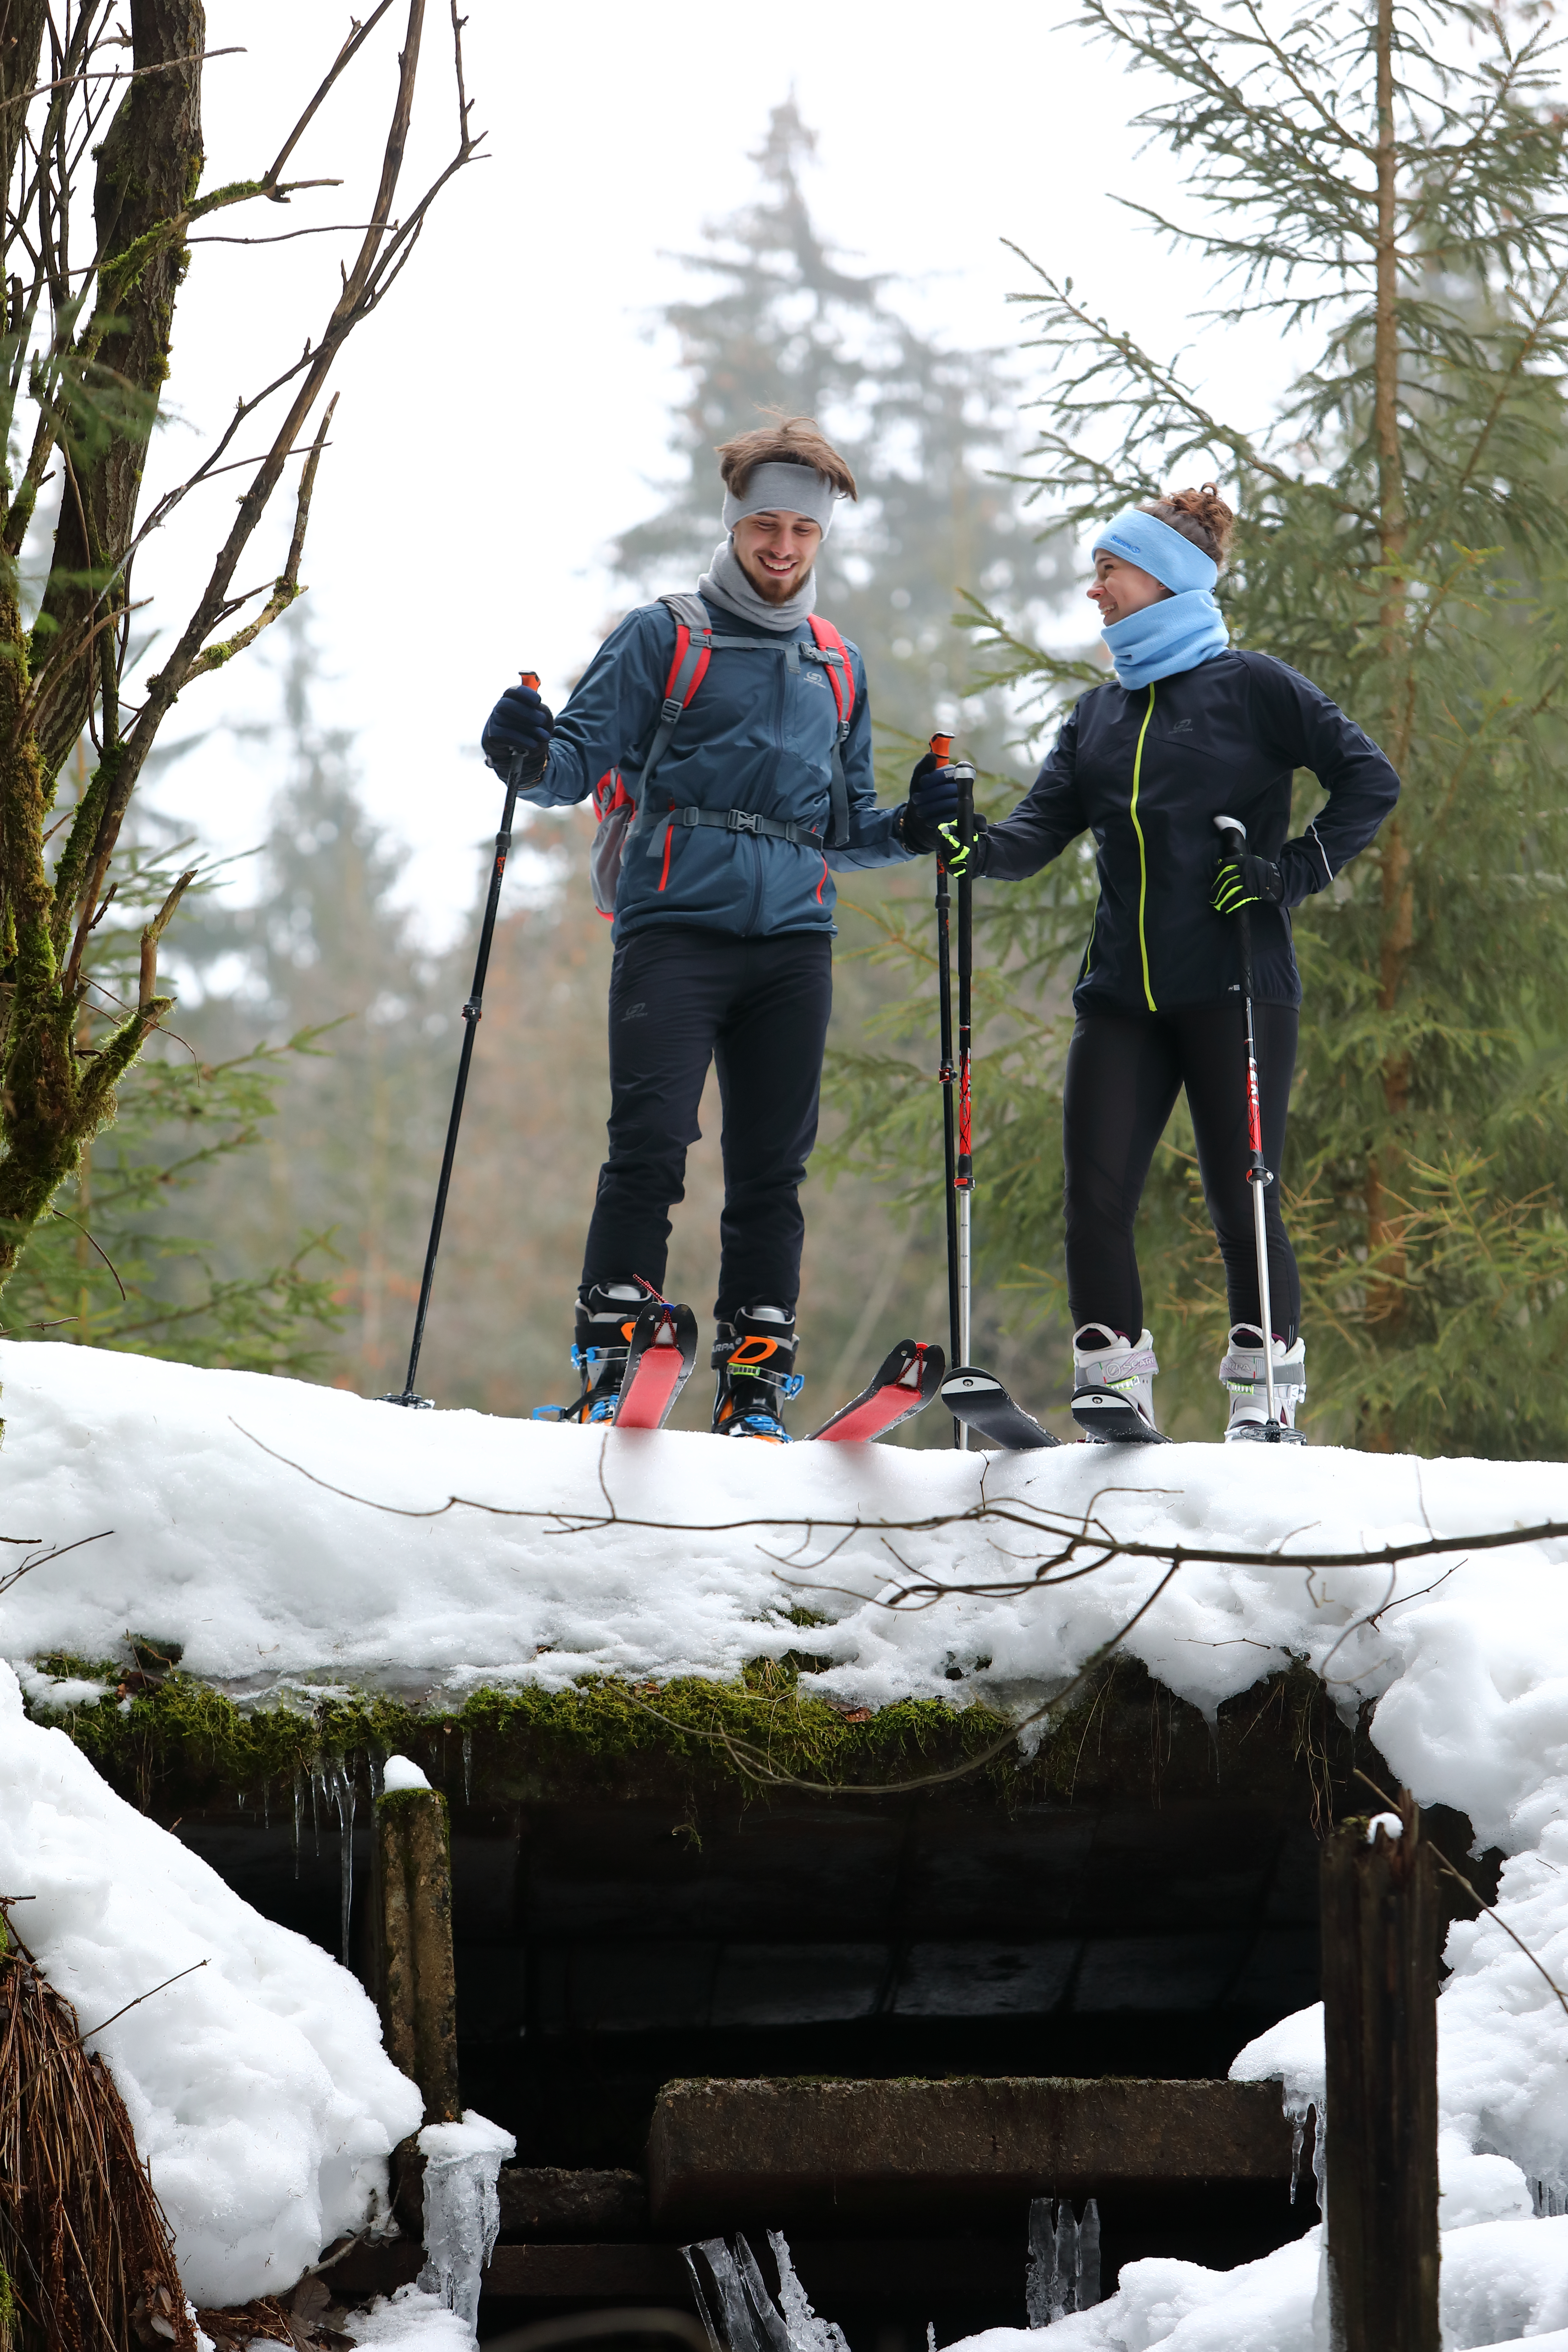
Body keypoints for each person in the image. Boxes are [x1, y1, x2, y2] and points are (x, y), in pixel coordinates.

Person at [479, 417, 954, 1440]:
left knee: (773, 1167)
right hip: (675, 930)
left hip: (794, 942)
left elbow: (842, 829)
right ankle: (612, 1351)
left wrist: (913, 826)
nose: (782, 548)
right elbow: (569, 767)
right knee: (650, 1143)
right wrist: (521, 752)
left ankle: (756, 1380)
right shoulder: (666, 633)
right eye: (765, 526)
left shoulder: (837, 663)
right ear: (734, 522)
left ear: (823, 539)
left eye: (803, 531)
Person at [931, 485, 1400, 1441]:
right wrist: (972, 845)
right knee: (1095, 1194)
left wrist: (1292, 872)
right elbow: (1034, 833)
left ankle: (1263, 1400)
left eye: (1108, 568)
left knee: (1241, 1193)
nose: (1093, 588)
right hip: (1122, 1000)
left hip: (1235, 983)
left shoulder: (1253, 686)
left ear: (1166, 576)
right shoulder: (1098, 717)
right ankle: (1115, 1382)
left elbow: (1369, 778)